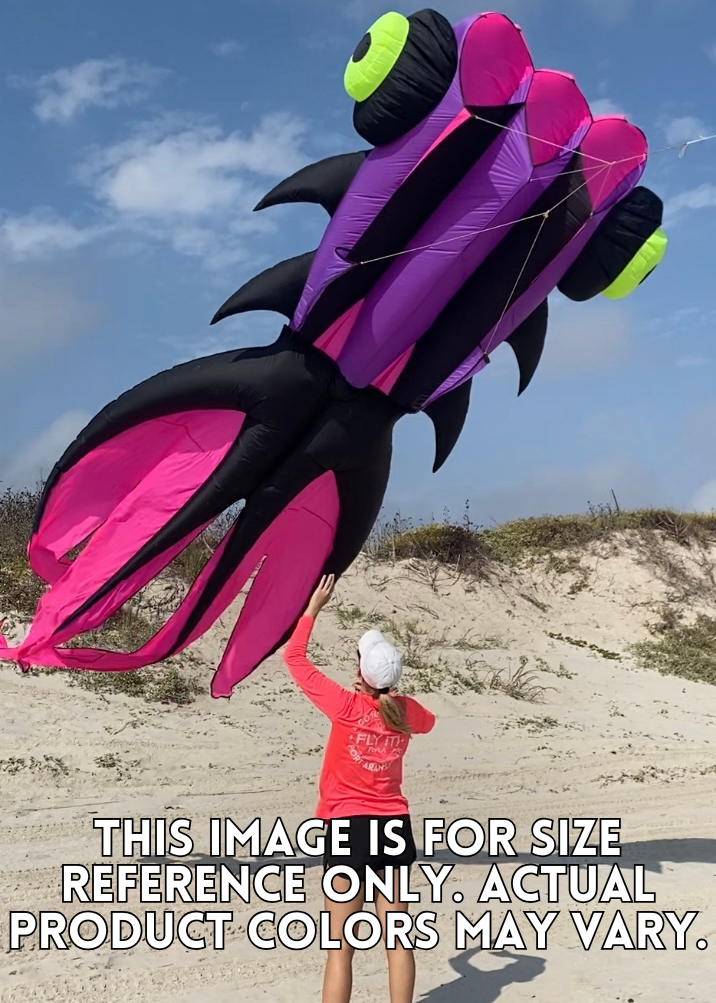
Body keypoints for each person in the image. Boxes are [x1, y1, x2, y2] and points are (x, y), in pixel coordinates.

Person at [283, 574, 436, 1003]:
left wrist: (312, 609)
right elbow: (429, 721)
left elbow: (295, 658)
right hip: (392, 827)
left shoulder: (346, 706)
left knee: (340, 947)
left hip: (348, 828)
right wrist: (387, 699)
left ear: (359, 671)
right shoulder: (407, 712)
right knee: (399, 941)